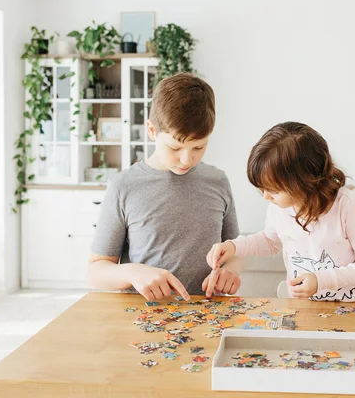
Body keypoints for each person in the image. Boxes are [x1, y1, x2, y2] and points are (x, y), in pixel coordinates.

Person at [89, 73, 242, 301]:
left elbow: (236, 250)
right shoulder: (124, 186)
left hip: (207, 314)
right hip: (143, 318)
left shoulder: (218, 181)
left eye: (198, 148)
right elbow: (95, 271)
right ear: (152, 131)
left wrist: (231, 271)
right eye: (175, 147)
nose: (186, 160)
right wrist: (132, 271)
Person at [206, 121, 355, 301]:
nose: (266, 197)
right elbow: (269, 241)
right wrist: (234, 246)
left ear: (303, 182)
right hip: (303, 309)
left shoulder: (347, 206)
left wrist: (321, 280)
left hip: (351, 311)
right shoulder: (278, 209)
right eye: (262, 189)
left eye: (273, 190)